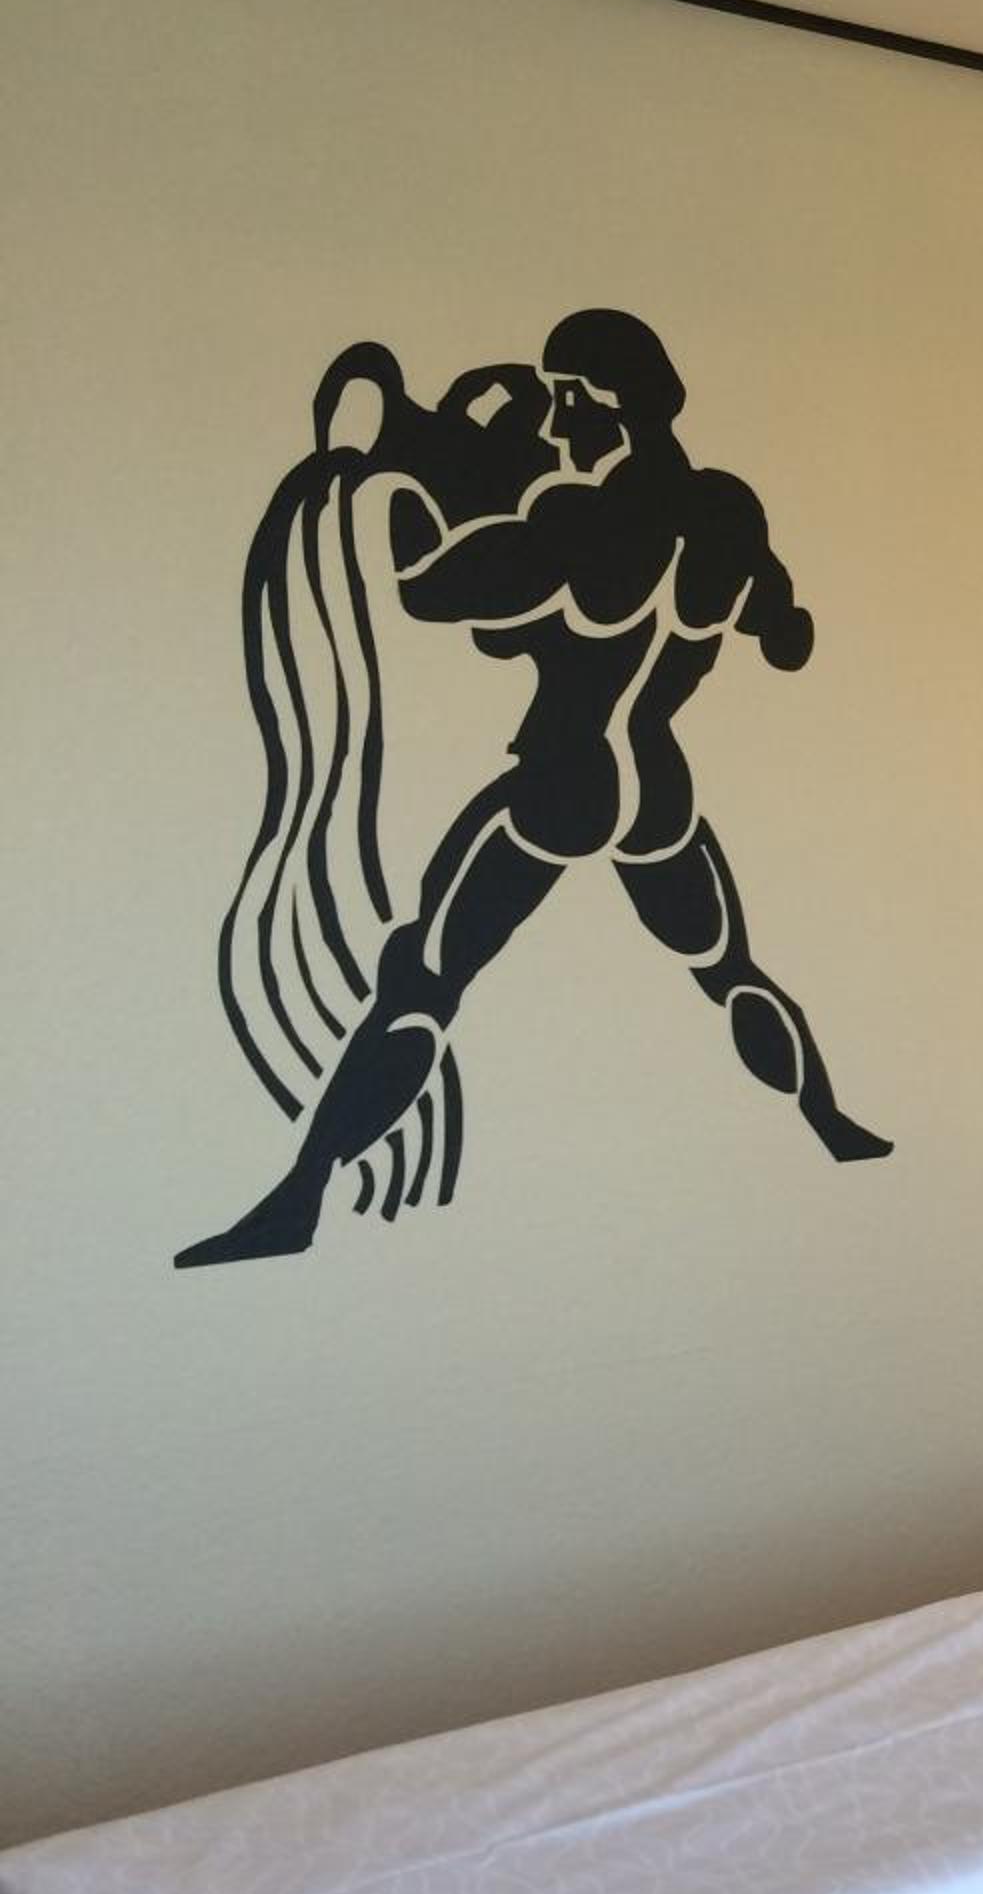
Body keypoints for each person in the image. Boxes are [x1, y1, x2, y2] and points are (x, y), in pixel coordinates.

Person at [177, 310, 887, 1269]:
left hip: (566, 783)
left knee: (423, 982)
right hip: (657, 787)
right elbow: (786, 634)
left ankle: (298, 1201)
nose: (555, 427)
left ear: (609, 407)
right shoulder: (729, 512)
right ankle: (832, 1123)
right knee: (730, 971)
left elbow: (430, 589)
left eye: (564, 405)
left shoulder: (579, 522)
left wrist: (427, 485)